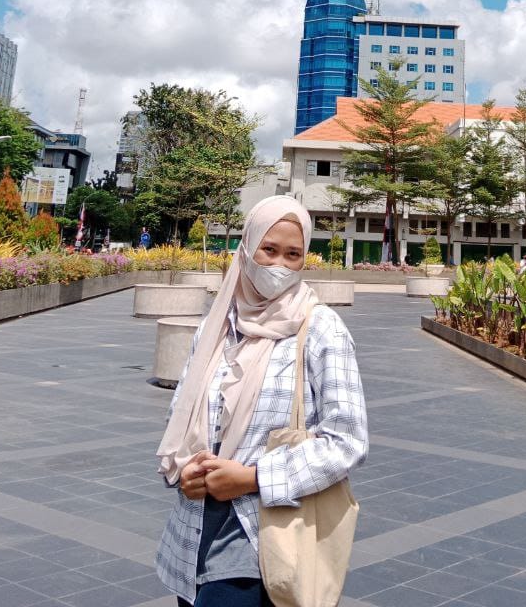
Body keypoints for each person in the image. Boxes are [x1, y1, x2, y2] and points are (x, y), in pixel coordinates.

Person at [156, 196, 368, 607]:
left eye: (293, 254)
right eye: (268, 250)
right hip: (194, 532)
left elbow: (347, 440)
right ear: (247, 247)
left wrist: (254, 478)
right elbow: (180, 412)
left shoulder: (321, 329)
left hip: (260, 534)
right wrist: (185, 470)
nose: (279, 265)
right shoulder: (217, 325)